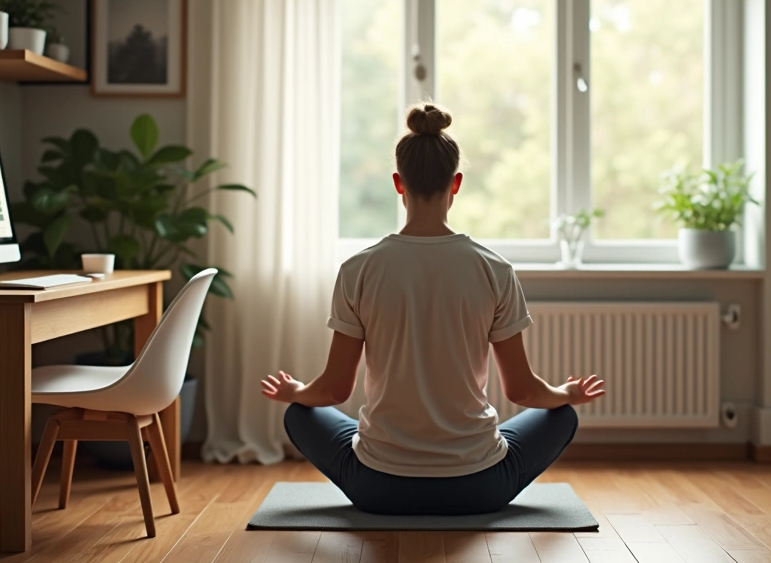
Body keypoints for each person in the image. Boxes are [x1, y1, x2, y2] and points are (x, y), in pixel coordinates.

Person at [259, 103, 606, 515]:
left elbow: (334, 390)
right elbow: (523, 391)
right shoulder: (493, 268)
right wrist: (565, 392)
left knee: (300, 415)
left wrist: (295, 391)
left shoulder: (359, 269)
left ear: (397, 183)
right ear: (455, 183)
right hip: (480, 487)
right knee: (561, 416)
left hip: (377, 488)